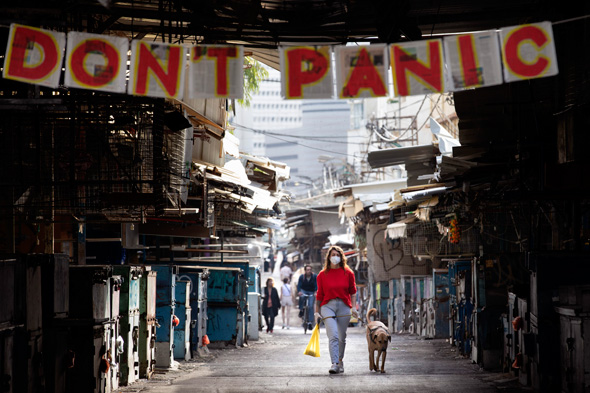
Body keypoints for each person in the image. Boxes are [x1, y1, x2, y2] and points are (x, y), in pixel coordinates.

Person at [315, 245, 358, 374]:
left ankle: (340, 360)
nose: (335, 257)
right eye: (333, 255)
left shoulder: (348, 273)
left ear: (341, 257)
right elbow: (319, 295)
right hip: (327, 306)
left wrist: (354, 308)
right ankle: (334, 363)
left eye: (337, 255)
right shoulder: (322, 275)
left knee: (341, 336)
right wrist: (317, 311)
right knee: (332, 335)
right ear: (328, 257)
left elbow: (353, 292)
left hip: (344, 306)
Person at [297, 264, 317, 329]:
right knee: (302, 297)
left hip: (311, 291)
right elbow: (299, 285)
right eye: (308, 270)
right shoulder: (301, 277)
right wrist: (299, 291)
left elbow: (316, 285)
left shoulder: (314, 277)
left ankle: (310, 322)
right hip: (304, 290)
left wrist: (315, 292)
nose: (309, 271)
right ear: (305, 271)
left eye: (310, 270)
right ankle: (301, 309)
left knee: (311, 306)